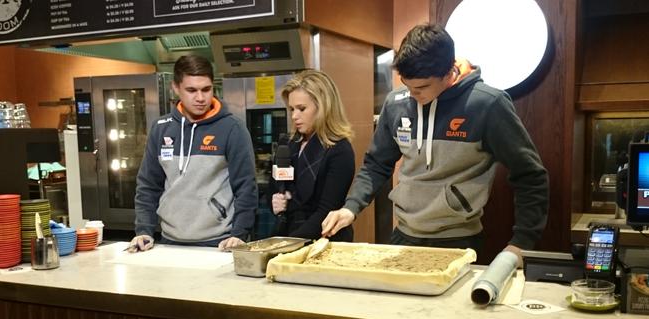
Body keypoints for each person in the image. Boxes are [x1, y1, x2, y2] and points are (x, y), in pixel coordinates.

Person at [321, 24, 549, 262]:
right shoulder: (396, 103)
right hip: (403, 235)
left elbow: (530, 175)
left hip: (459, 240)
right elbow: (376, 164)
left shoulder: (487, 104)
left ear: (449, 73)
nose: (412, 94)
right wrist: (351, 207)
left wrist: (521, 242)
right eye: (407, 85)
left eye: (421, 87)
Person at [130, 55, 257, 252]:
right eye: (191, 90)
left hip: (219, 242)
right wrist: (143, 230)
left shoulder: (233, 128)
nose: (200, 98)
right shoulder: (161, 129)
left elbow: (246, 187)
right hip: (168, 240)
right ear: (176, 88)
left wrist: (239, 234)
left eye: (206, 89)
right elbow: (148, 185)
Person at [270, 70, 356, 241]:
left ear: (323, 107)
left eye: (302, 109)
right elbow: (274, 187)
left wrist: (286, 245)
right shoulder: (289, 144)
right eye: (292, 109)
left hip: (324, 241)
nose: (294, 116)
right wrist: (275, 200)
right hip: (288, 235)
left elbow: (326, 210)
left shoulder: (339, 149)